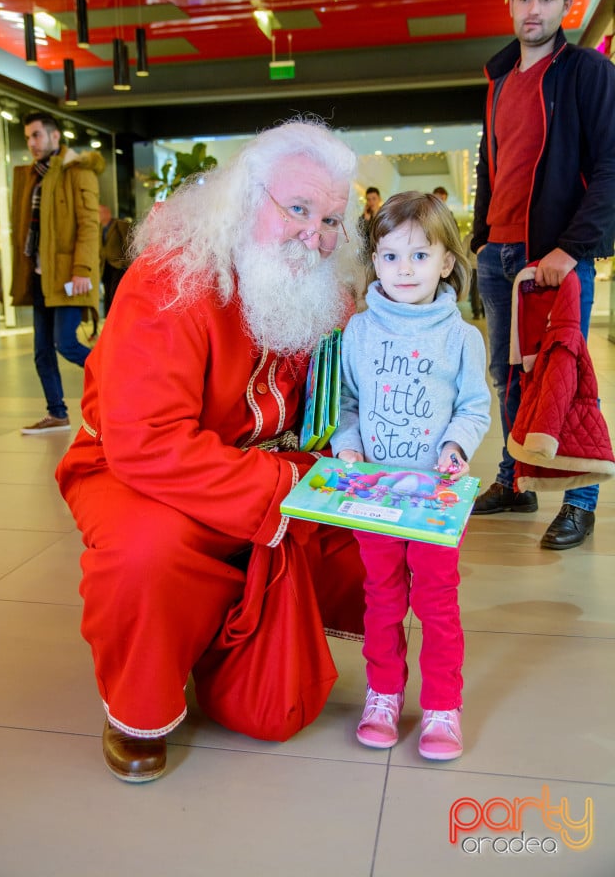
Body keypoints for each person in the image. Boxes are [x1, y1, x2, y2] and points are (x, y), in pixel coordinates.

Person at [55, 118, 367, 783]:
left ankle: (234, 646)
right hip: (133, 469)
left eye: (332, 220)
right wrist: (283, 488)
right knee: (149, 552)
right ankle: (137, 709)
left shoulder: (324, 293)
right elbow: (146, 442)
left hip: (260, 468)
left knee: (376, 529)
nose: (315, 236)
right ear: (248, 199)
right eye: (300, 209)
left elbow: (336, 406)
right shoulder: (171, 279)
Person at [331, 192, 491, 757]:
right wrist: (348, 449)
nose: (404, 269)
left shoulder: (461, 338)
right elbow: (347, 404)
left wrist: (454, 446)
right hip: (373, 497)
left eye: (420, 256)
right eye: (390, 256)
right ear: (373, 260)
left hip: (435, 500)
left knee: (437, 604)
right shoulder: (359, 333)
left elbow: (474, 406)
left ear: (447, 262)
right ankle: (383, 693)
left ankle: (443, 705)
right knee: (381, 599)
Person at [471, 0, 615, 549]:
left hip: (554, 260)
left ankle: (581, 500)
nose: (534, 9)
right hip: (500, 258)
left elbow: (611, 166)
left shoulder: (586, 72)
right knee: (509, 379)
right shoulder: (500, 78)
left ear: (566, 4)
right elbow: (493, 170)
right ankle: (515, 479)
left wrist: (571, 249)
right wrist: (478, 241)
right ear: (510, 3)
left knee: (566, 376)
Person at [10, 112, 103, 434]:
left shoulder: (78, 172)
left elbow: (90, 226)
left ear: (55, 136)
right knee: (41, 351)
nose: (32, 143)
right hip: (39, 276)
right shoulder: (35, 175)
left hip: (67, 276)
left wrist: (82, 269)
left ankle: (119, 378)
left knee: (65, 343)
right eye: (28, 137)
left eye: (36, 135)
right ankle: (57, 413)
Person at [98, 204, 132, 317]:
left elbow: (128, 243)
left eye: (99, 212)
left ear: (107, 213)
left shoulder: (119, 224)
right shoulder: (99, 228)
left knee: (115, 294)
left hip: (118, 266)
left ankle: (117, 318)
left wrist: (127, 263)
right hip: (105, 266)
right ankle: (108, 320)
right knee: (107, 295)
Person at [357, 186, 382, 253]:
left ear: (379, 199)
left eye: (374, 198)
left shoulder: (385, 216)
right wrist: (366, 221)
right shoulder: (363, 217)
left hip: (379, 250)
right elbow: (359, 235)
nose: (371, 202)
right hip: (365, 252)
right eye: (368, 199)